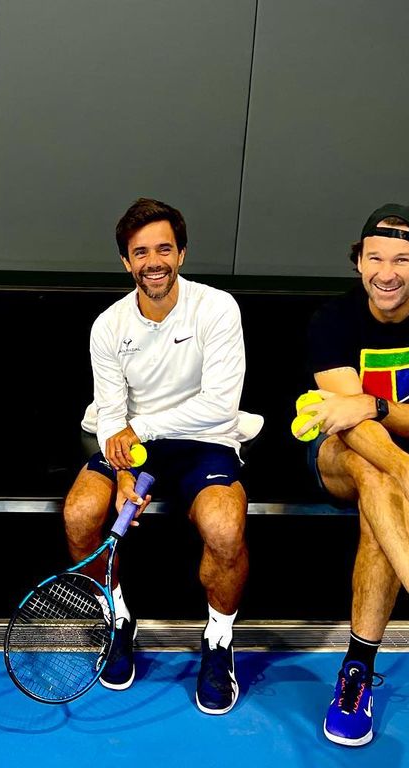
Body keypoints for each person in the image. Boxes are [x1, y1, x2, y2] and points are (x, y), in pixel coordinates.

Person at [67, 197, 262, 715]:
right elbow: (111, 412)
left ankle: (219, 639)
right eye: (141, 252)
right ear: (126, 261)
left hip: (206, 440)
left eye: (164, 249)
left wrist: (140, 430)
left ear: (181, 254)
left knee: (224, 527)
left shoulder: (217, 308)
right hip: (134, 445)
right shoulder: (108, 326)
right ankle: (117, 616)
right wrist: (125, 472)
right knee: (80, 514)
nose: (153, 261)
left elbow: (219, 405)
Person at [299, 203, 409, 747]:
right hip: (342, 451)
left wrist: (373, 405)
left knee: (379, 501)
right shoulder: (331, 320)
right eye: (375, 258)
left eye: (402, 259)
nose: (386, 272)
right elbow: (347, 425)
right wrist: (408, 471)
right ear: (359, 262)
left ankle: (356, 671)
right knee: (374, 469)